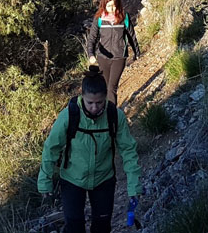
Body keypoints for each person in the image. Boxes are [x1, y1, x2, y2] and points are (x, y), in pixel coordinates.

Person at [38, 73, 142, 233]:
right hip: (72, 179)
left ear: (106, 98)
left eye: (99, 102)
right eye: (90, 103)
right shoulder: (69, 116)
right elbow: (51, 148)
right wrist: (45, 181)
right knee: (74, 226)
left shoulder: (114, 116)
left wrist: (134, 186)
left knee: (101, 226)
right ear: (82, 97)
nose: (95, 107)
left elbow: (128, 151)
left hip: (103, 179)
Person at [85, 0, 140, 104]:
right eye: (109, 6)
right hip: (102, 57)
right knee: (104, 88)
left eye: (114, 6)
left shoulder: (124, 17)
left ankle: (112, 116)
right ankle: (103, 113)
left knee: (112, 88)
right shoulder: (99, 18)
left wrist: (136, 52)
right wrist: (91, 54)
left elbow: (131, 36)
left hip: (119, 57)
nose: (112, 9)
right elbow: (92, 38)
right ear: (104, 5)